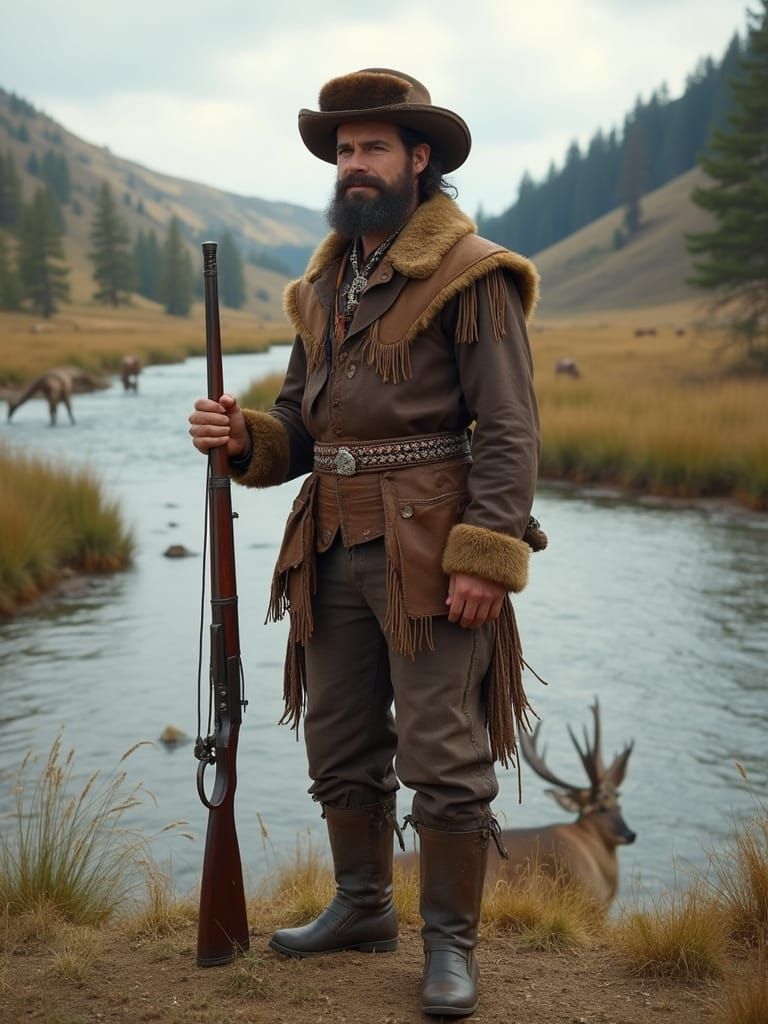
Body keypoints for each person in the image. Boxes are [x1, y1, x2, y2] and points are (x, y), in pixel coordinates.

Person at [188, 67, 545, 1019]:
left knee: (442, 751)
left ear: (418, 160)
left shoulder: (472, 274)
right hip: (330, 540)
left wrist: (486, 554)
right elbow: (301, 427)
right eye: (344, 149)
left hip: (430, 547)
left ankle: (450, 946)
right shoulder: (324, 284)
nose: (355, 163)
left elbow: (509, 430)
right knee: (340, 738)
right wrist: (244, 438)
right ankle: (362, 905)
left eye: (374, 147)